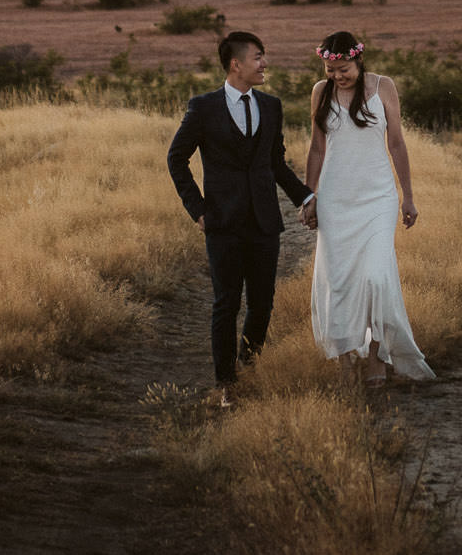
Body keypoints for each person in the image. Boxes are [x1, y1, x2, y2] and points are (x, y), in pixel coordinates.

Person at [166, 29, 314, 407]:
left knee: (262, 304)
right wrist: (198, 210)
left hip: (264, 223)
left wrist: (306, 197)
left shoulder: (271, 106)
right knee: (226, 304)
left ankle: (248, 368)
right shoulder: (203, 107)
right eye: (258, 57)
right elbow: (176, 159)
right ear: (236, 64)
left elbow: (275, 163)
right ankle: (225, 384)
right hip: (222, 223)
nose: (265, 64)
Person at [302, 30, 435, 386]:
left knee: (376, 277)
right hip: (336, 199)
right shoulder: (320, 91)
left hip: (377, 197)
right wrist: (309, 196)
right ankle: (345, 361)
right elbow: (317, 148)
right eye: (330, 70)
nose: (337, 76)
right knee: (339, 282)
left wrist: (408, 196)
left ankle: (376, 356)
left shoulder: (383, 87)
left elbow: (397, 143)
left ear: (359, 60)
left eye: (343, 69)